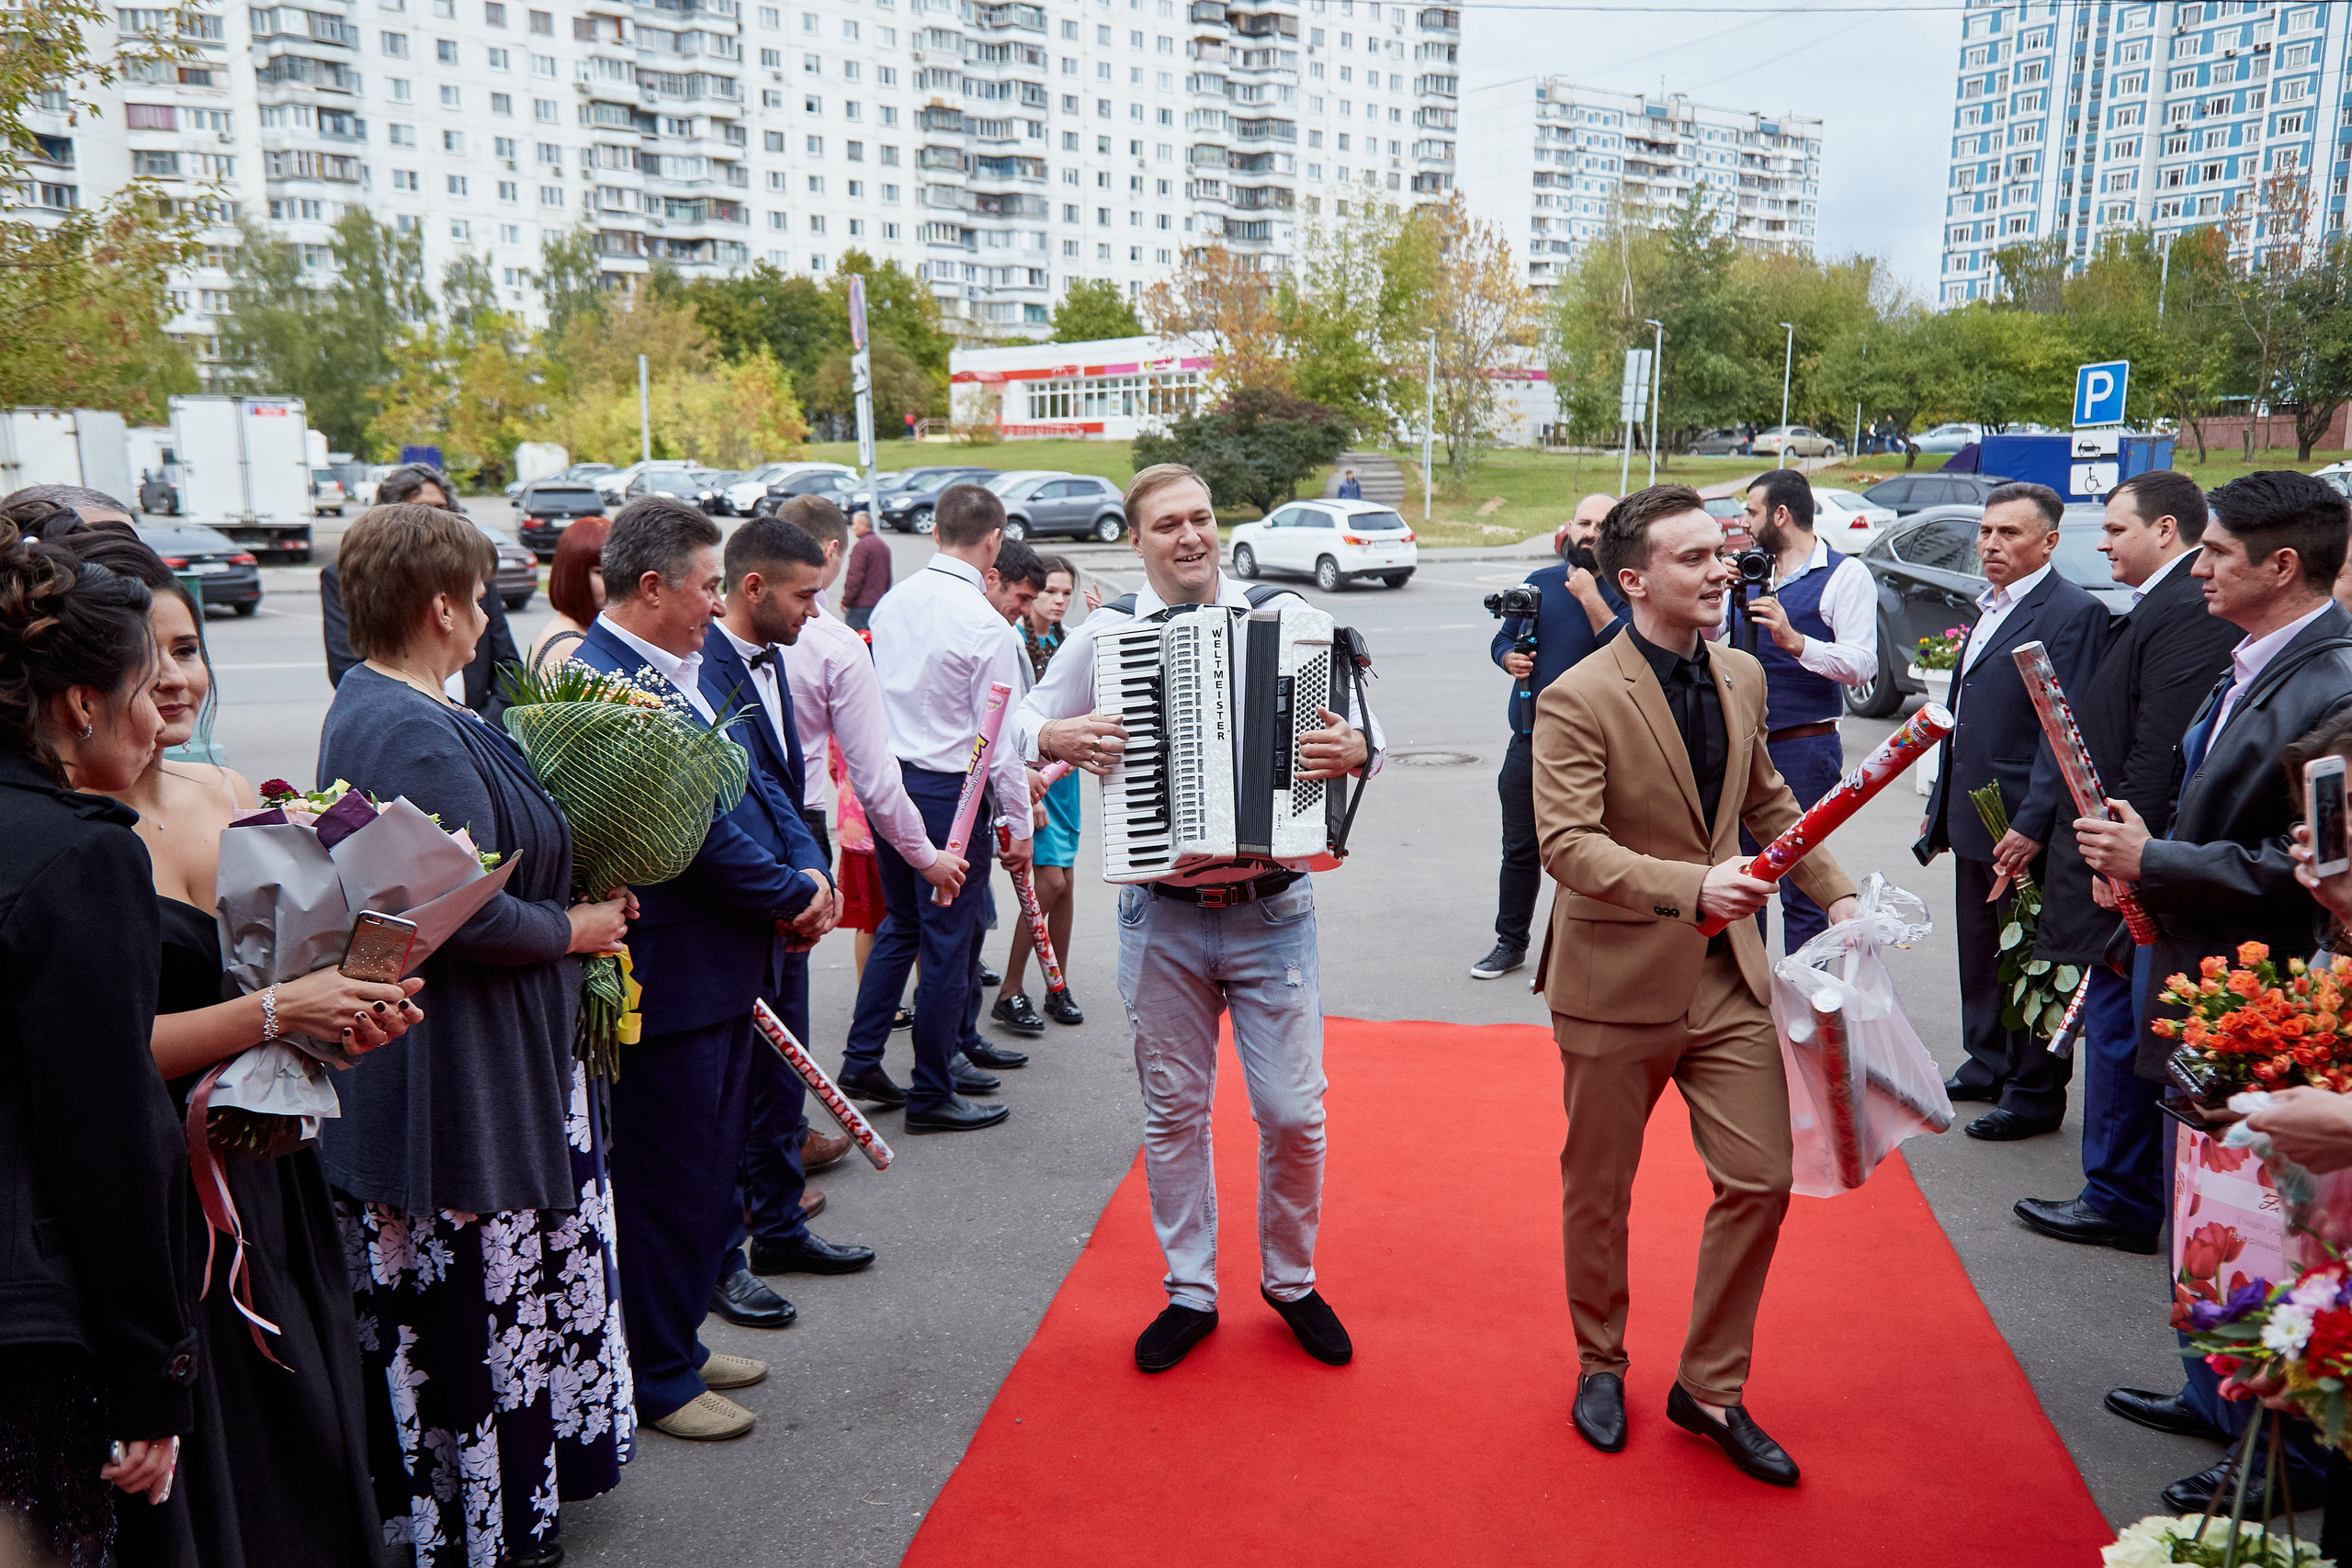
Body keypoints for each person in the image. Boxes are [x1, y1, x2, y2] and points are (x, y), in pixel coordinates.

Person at [68, 530, 419, 1568]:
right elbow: (93, 1055)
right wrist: (280, 1015)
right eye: (149, 659)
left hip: (271, 1179)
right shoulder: (67, 840)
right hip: (158, 1204)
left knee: (305, 1450)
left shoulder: (227, 798)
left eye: (187, 649)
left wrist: (345, 1027)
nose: (175, 680)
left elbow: (286, 999)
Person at [316, 503, 639, 1563]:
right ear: (443, 606)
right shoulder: (405, 723)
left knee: (469, 1303)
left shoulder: (391, 705)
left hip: (460, 1052)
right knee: (470, 1306)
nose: (493, 618)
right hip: (454, 1066)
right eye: (484, 596)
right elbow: (458, 910)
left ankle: (487, 1507)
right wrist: (572, 925)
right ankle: (485, 1521)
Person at [1012, 462, 1383, 1374]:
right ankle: (1190, 1291)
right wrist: (1054, 739)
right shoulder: (1106, 634)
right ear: (1135, 541)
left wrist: (1355, 749)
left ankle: (1289, 1281)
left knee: (1295, 1114)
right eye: (1168, 524)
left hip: (1272, 906)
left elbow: (1374, 739)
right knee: (1173, 1113)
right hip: (1160, 913)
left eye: (1202, 519)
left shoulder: (1289, 621)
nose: (1191, 537)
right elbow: (1020, 722)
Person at [1531, 483, 1859, 1487]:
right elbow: (1566, 845)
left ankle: (1709, 1387)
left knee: (1759, 1179)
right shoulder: (1575, 695)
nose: (1722, 569)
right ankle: (1600, 1360)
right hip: (1614, 979)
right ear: (1632, 580)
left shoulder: (1743, 673)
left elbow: (1764, 797)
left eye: (1722, 552)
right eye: (1693, 559)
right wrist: (1691, 886)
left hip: (1725, 977)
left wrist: (1836, 895)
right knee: (1600, 1194)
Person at [2074, 468, 2352, 1517]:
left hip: (2276, 997)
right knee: (2209, 1208)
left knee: (2277, 1230)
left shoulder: (2337, 686)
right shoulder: (2253, 658)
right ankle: (2219, 1385)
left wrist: (2160, 863)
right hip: (2210, 980)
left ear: (2282, 566)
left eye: (2218, 552)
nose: (2198, 564)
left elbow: (2317, 876)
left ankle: (2279, 1452)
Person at [571, 495, 833, 1443]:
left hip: (724, 966)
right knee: (666, 1181)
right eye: (706, 585)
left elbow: (757, 778)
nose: (714, 603)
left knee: (707, 1176)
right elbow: (697, 832)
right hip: (674, 978)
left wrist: (807, 867)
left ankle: (674, 1334)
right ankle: (659, 1377)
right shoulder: (605, 681)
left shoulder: (674, 670)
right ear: (652, 587)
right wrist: (786, 892)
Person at [0, 524, 189, 1566]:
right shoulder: (81, 861)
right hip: (29, 1331)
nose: (162, 716)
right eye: (147, 685)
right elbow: (110, 1141)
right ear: (81, 703)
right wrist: (148, 1380)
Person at [2010, 472, 2238, 1256]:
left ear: (2165, 529)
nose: (2100, 544)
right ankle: (2115, 1187)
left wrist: (2125, 860)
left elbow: (2156, 748)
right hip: (2119, 851)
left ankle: (2119, 1195)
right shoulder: (2162, 602)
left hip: (2134, 860)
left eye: (2113, 530)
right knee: (2115, 1024)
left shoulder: (2187, 612)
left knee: (2123, 1028)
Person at [702, 513, 879, 1335]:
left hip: (787, 895)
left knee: (782, 1081)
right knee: (730, 1095)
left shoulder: (776, 658)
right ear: (753, 587)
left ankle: (779, 1228)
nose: (816, 611)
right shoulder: (699, 665)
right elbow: (712, 810)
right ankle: (727, 1257)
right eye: (806, 595)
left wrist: (814, 876)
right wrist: (784, 886)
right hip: (736, 909)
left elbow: (781, 779)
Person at [836, 483, 1035, 1133]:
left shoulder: (894, 604)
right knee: (948, 940)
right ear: (993, 541)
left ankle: (864, 1054)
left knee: (903, 923)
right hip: (952, 789)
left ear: (934, 532)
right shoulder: (984, 623)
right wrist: (1016, 821)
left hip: (892, 781)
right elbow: (997, 745)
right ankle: (931, 1087)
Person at [1921, 481, 2109, 1140]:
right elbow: (1971, 711)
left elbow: (2065, 727)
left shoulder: (2071, 612)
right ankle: (1988, 1060)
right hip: (1976, 812)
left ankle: (2033, 1091)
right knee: (1979, 945)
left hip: (2025, 820)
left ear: (2049, 542)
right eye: (1987, 532)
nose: (1992, 544)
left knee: (2030, 955)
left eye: (2010, 534)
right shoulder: (1990, 605)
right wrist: (1941, 806)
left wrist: (2032, 822)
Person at [768, 495, 964, 1043]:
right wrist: (926, 857)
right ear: (831, 550)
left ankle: (789, 1120)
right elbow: (873, 775)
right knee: (786, 982)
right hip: (800, 819)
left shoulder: (718, 635)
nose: (809, 608)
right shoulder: (836, 645)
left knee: (763, 983)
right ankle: (789, 1122)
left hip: (762, 818)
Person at [1711, 468, 1880, 954]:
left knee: (1804, 885)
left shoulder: (1845, 574)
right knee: (1742, 881)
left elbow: (1862, 663)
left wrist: (1796, 641)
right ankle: (1749, 1007)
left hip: (1803, 746)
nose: (1743, 521)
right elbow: (1710, 640)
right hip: (1740, 744)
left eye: (1751, 510)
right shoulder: (1749, 572)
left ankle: (1808, 1015)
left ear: (1781, 515)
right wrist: (1715, 591)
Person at [1471, 491, 1624, 981]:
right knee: (1519, 849)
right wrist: (1507, 659)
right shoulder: (1538, 583)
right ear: (1569, 524)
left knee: (1594, 852)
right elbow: (1503, 639)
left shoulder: (1628, 588)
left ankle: (1593, 950)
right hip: (1531, 739)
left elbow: (1629, 654)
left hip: (1601, 749)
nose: (1591, 532)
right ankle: (1510, 943)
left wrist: (1590, 595)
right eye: (1584, 522)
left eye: (1603, 525)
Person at [321, 465, 521, 720]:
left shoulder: (473, 573)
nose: (439, 522)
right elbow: (347, 666)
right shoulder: (400, 715)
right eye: (423, 511)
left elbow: (508, 666)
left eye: (442, 509)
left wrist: (479, 727)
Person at [997, 552, 1086, 1031]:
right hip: (1029, 779)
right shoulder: (1011, 640)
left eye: (1065, 593)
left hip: (1066, 779)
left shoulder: (1071, 640)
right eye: (1050, 591)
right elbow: (1006, 718)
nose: (1058, 600)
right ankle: (1010, 990)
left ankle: (1058, 985)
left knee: (1066, 885)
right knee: (1046, 885)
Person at [527, 515, 610, 670]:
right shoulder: (570, 645)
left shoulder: (578, 632)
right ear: (573, 575)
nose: (612, 583)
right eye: (600, 573)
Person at [840, 507, 892, 633]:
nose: (853, 528)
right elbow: (887, 578)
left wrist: (847, 601)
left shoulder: (862, 546)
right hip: (877, 603)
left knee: (858, 645)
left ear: (864, 524)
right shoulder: (883, 546)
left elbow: (855, 577)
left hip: (860, 606)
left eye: (855, 524)